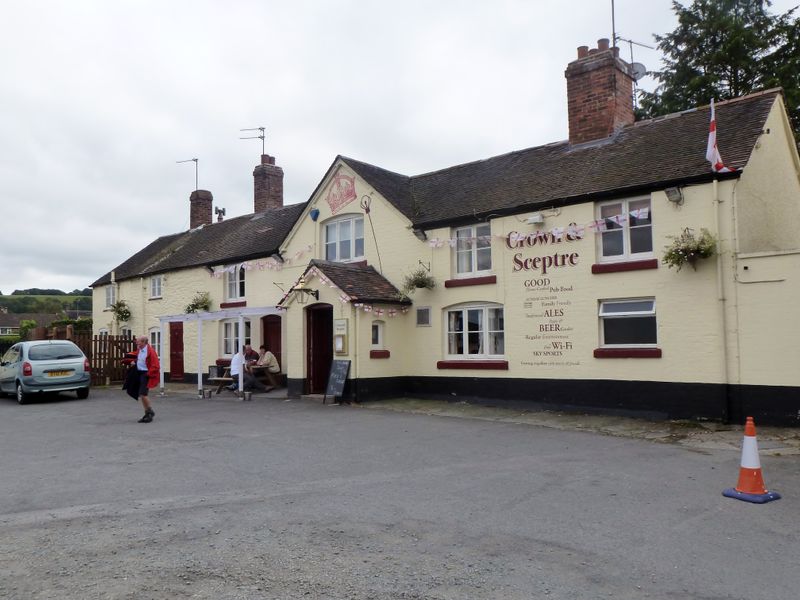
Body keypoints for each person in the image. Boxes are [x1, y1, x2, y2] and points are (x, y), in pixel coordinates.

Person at [135, 335, 160, 423]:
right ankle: (147, 412)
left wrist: (148, 374)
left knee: (143, 394)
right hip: (140, 373)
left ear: (143, 342)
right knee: (141, 394)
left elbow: (156, 365)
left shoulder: (150, 352)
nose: (136, 342)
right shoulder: (140, 350)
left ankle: (149, 412)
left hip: (145, 374)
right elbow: (140, 360)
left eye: (138, 341)